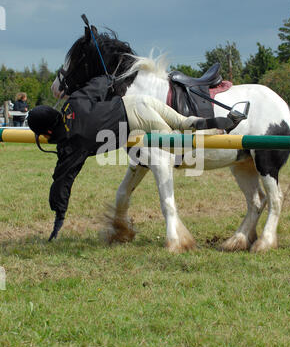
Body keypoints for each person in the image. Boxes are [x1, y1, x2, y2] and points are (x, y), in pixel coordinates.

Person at [28, 75, 237, 241]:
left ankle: (214, 132)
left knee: (174, 142)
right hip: (139, 101)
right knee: (182, 122)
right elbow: (98, 83)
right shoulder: (73, 102)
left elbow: (63, 179)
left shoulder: (71, 144)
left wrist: (59, 214)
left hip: (137, 120)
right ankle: (209, 122)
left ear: (47, 131)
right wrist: (110, 79)